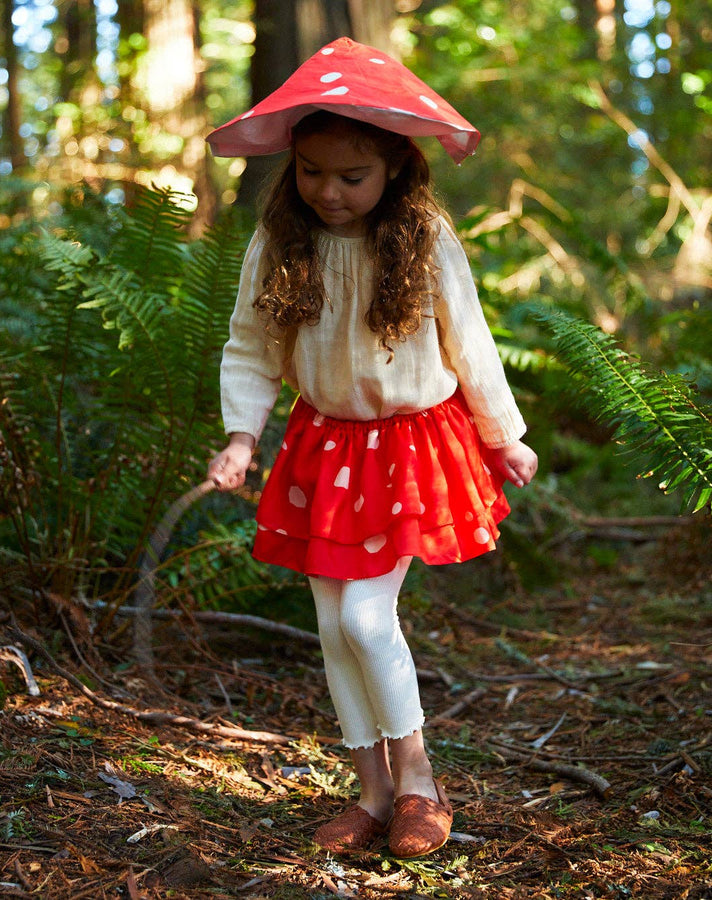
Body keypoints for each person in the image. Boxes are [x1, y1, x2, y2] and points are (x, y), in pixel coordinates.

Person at [206, 39, 538, 859]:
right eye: (313, 171)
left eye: (351, 176)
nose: (328, 191)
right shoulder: (283, 240)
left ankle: (421, 781)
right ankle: (373, 792)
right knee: (331, 625)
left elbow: (472, 342)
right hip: (324, 445)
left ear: (395, 166)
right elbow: (252, 347)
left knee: (365, 613)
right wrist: (241, 437)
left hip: (409, 447)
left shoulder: (423, 239)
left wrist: (504, 436)